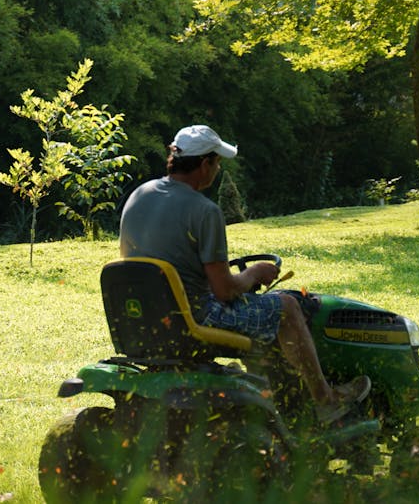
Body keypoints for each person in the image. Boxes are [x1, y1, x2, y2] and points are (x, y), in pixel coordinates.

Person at [119, 124, 370, 425]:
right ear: (204, 164)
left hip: (144, 319)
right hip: (195, 318)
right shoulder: (204, 211)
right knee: (287, 307)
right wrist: (254, 273)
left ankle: (271, 398)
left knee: (259, 310)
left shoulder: (138, 196)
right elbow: (225, 290)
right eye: (217, 163)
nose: (218, 169)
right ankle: (326, 400)